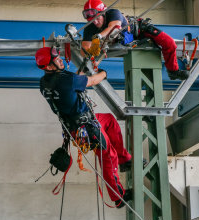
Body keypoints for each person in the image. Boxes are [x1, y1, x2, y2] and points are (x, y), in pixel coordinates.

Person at [35, 46, 132, 208]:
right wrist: (103, 73)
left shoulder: (44, 82)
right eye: (56, 59)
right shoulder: (65, 80)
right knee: (108, 156)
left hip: (77, 125)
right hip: (86, 128)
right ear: (50, 66)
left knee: (109, 120)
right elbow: (92, 81)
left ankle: (125, 160)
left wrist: (84, 67)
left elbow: (73, 82)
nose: (60, 59)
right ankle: (118, 196)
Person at [81, 0, 190, 81]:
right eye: (91, 20)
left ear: (103, 12)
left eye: (97, 18)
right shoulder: (90, 27)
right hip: (122, 41)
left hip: (139, 31)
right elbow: (84, 48)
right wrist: (90, 52)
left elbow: (115, 26)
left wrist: (98, 37)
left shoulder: (113, 13)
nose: (94, 22)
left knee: (169, 42)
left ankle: (173, 71)